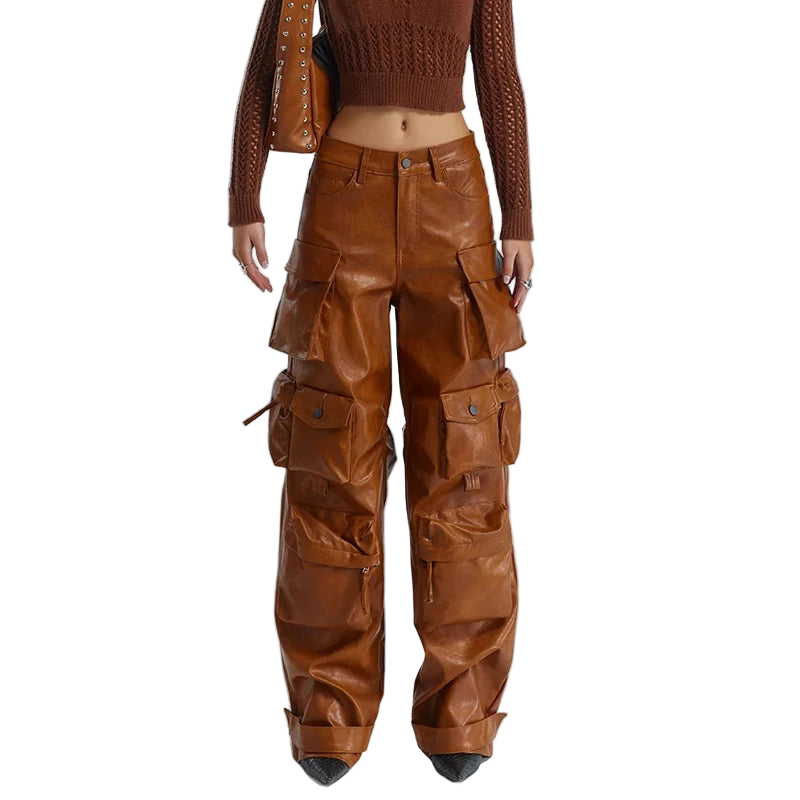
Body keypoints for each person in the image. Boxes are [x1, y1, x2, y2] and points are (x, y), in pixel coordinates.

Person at [229, 0, 534, 788]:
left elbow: (499, 77)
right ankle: (328, 711)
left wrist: (520, 219)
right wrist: (244, 200)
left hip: (455, 196)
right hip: (344, 195)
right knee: (328, 458)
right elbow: (263, 67)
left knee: (466, 455)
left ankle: (461, 710)